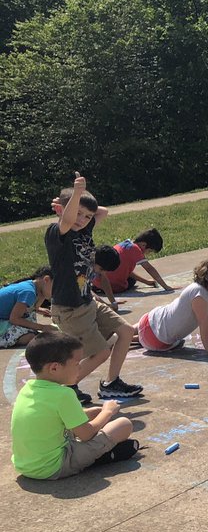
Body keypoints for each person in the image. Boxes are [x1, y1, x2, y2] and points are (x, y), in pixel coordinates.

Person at [44, 172, 141, 403]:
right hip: (70, 308)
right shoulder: (56, 234)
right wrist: (74, 195)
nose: (82, 219)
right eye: (78, 213)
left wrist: (73, 202)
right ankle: (67, 389)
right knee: (101, 352)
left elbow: (102, 211)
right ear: (63, 212)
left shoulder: (85, 229)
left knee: (126, 331)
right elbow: (68, 221)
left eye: (87, 216)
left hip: (88, 302)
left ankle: (111, 384)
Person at [10, 331, 138, 480]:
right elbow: (86, 434)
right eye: (77, 364)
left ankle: (100, 454)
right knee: (123, 425)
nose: (80, 368)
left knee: (92, 420)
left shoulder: (28, 389)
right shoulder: (64, 394)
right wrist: (107, 412)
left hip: (25, 466)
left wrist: (90, 413)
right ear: (54, 368)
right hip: (54, 467)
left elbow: (53, 418)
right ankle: (100, 457)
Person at [138, 255, 208, 353]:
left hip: (159, 339)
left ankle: (132, 335)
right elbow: (204, 324)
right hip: (152, 328)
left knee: (140, 332)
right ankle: (131, 333)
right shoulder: (199, 293)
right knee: (138, 331)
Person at [90, 228, 176, 294]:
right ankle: (105, 289)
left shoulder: (126, 244)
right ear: (143, 245)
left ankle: (98, 287)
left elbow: (125, 271)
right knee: (130, 281)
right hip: (111, 285)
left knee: (131, 278)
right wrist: (165, 286)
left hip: (98, 281)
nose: (147, 254)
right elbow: (149, 268)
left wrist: (147, 282)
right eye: (149, 251)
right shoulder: (135, 249)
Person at [0, 266, 55, 349]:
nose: (56, 292)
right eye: (55, 288)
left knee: (30, 317)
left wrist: (39, 308)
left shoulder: (31, 285)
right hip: (5, 320)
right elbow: (14, 319)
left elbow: (31, 306)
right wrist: (42, 327)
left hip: (5, 317)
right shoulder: (29, 292)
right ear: (46, 279)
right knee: (30, 337)